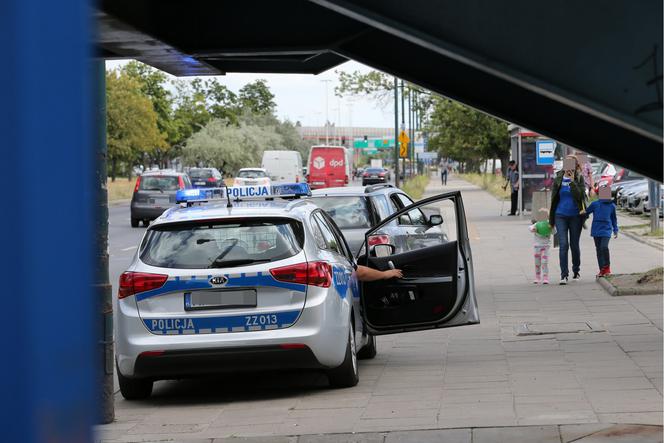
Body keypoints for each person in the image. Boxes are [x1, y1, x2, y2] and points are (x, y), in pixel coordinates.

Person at [549, 155, 587, 285]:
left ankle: (576, 270)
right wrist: (551, 219)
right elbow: (553, 198)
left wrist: (572, 182)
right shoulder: (558, 178)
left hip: (575, 216)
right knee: (563, 245)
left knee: (574, 245)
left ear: (575, 165)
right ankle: (563, 275)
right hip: (560, 215)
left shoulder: (579, 178)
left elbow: (581, 195)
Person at [580, 187, 619, 277]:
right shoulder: (595, 204)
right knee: (598, 250)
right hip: (596, 230)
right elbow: (587, 212)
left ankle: (607, 268)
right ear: (599, 195)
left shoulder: (612, 206)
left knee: (604, 247)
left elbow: (614, 219)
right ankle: (602, 270)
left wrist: (615, 230)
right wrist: (582, 212)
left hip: (606, 229)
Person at [528, 208, 554, 284]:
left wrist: (551, 227)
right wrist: (533, 229)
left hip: (545, 246)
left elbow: (554, 232)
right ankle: (537, 276)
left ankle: (545, 277)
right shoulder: (537, 224)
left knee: (544, 262)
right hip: (537, 247)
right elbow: (530, 228)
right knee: (537, 262)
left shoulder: (549, 224)